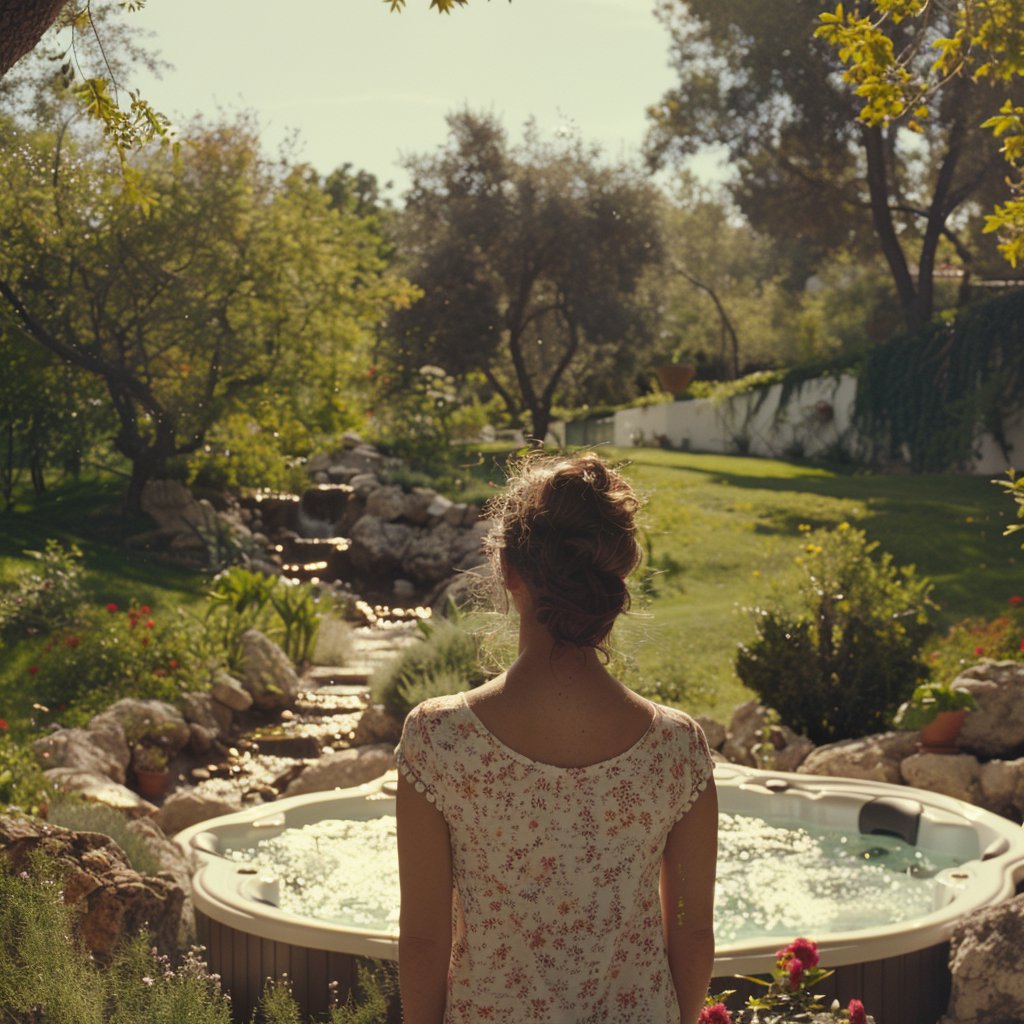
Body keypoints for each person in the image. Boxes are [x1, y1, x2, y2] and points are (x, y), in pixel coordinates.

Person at [396, 452, 718, 1024]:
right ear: (614, 577)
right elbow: (692, 935)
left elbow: (423, 940)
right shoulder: (677, 750)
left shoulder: (439, 740)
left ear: (507, 572)